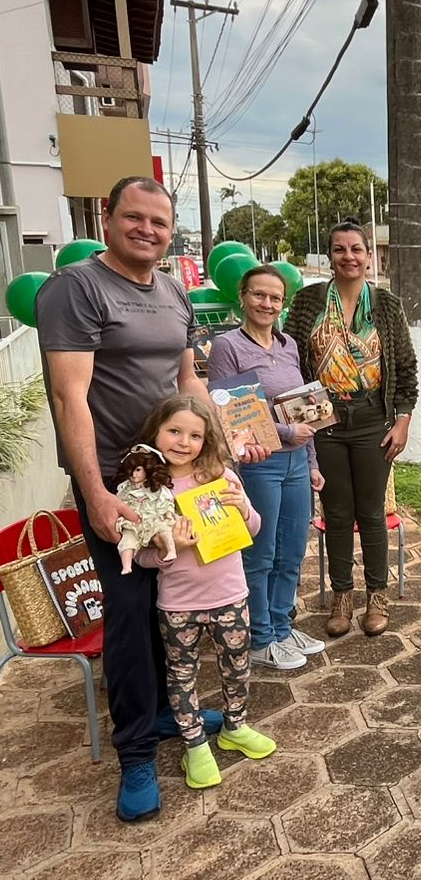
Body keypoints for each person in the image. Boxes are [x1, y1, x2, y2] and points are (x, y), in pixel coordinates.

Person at [36, 176, 226, 822]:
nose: (148, 230)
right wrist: (94, 494)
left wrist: (218, 459)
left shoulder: (172, 292)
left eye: (160, 222)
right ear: (109, 219)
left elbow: (187, 377)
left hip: (175, 476)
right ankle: (137, 751)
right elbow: (69, 398)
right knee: (128, 610)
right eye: (135, 218)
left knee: (172, 603)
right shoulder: (77, 288)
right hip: (121, 486)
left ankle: (171, 711)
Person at [132, 396, 277, 789]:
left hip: (230, 594)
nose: (183, 442)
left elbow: (254, 529)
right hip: (178, 602)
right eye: (174, 431)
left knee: (237, 665)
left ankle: (235, 726)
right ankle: (194, 744)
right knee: (181, 674)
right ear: (154, 433)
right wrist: (165, 551)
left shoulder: (220, 476)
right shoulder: (142, 489)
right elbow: (137, 554)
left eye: (195, 435)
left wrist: (243, 506)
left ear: (206, 439)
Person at [283, 220, 418, 638]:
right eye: (339, 249)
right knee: (336, 512)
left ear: (368, 255)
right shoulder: (308, 302)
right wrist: (296, 421)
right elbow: (290, 359)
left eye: (356, 249)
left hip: (371, 420)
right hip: (322, 419)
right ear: (330, 256)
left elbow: (405, 367)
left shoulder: (386, 304)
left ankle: (376, 595)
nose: (349, 256)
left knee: (372, 512)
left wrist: (402, 421)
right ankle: (342, 595)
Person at [208, 265, 326, 669]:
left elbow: (303, 406)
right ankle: (260, 637)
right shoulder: (228, 347)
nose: (267, 304)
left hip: (296, 462)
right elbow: (229, 414)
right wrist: (284, 432)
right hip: (259, 465)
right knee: (261, 554)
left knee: (293, 551)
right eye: (259, 295)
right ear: (242, 296)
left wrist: (310, 462)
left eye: (275, 298)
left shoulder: (289, 344)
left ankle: (281, 625)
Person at [114, 446, 177, 574]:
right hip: (134, 521)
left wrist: (169, 513)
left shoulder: (156, 487)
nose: (133, 475)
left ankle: (171, 550)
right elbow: (119, 502)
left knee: (164, 529)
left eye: (137, 470)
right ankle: (126, 565)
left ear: (147, 469)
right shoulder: (125, 488)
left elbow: (165, 500)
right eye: (130, 471)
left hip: (154, 516)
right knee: (127, 540)